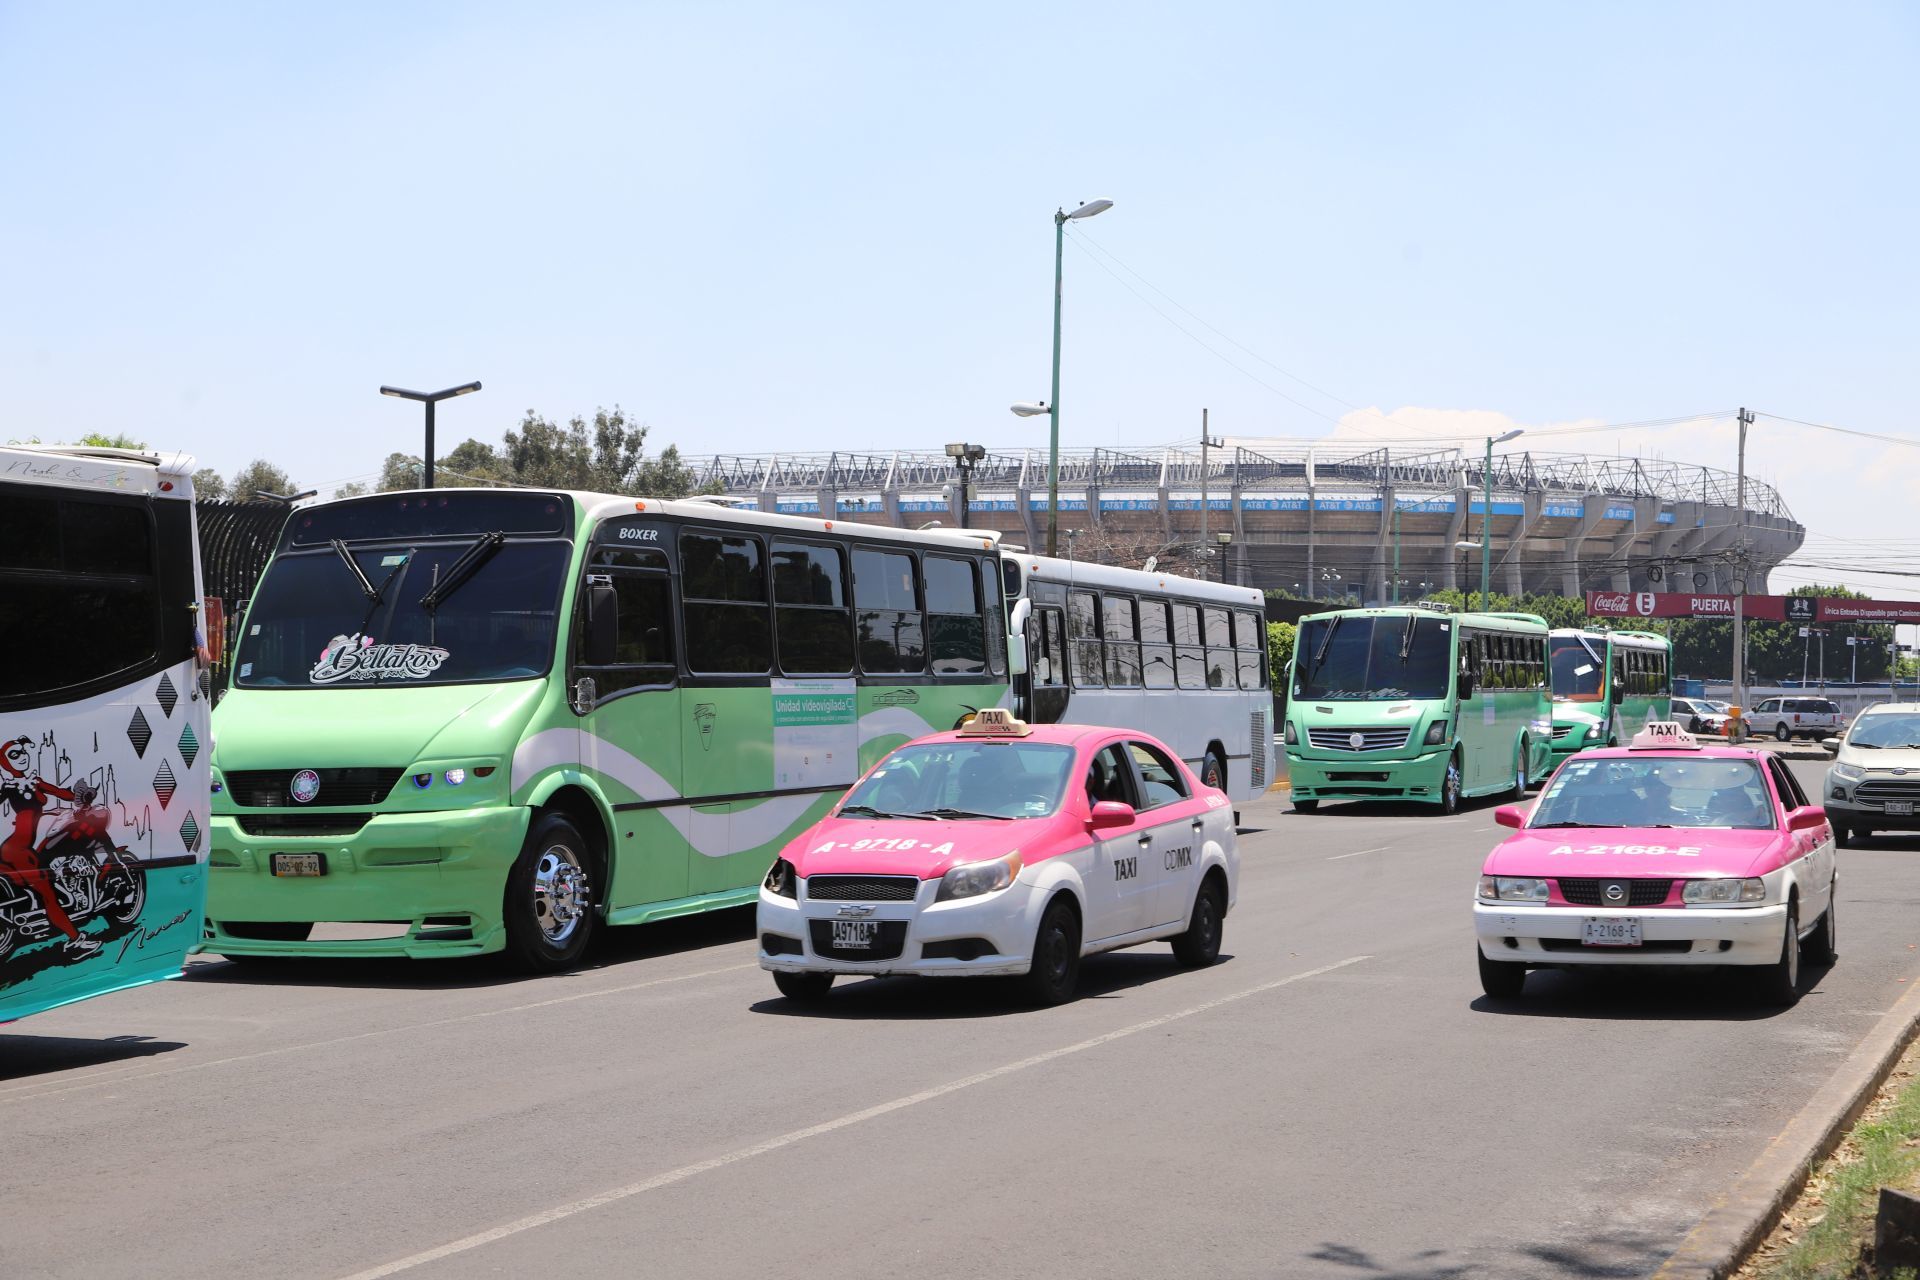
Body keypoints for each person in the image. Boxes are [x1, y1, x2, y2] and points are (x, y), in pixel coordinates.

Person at [0, 737, 97, 957]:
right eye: (14, 755)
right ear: (5, 763)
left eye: (23, 752)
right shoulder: (11, 786)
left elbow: (62, 793)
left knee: (37, 890)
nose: (21, 756)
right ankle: (75, 941)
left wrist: (79, 797)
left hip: (16, 847)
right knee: (48, 895)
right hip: (19, 849)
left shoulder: (33, 781)